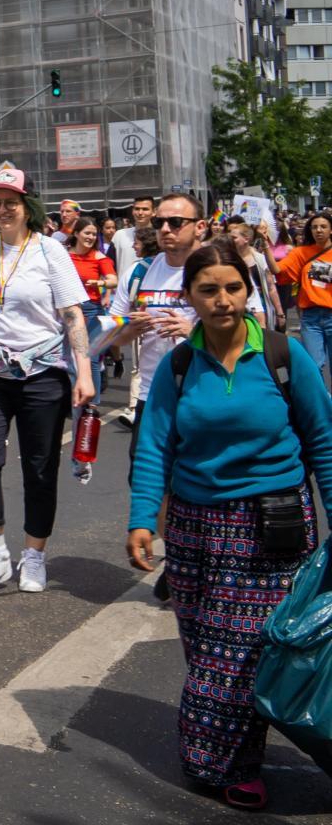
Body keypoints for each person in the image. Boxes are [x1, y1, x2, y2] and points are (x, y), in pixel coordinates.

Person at [128, 240, 332, 810]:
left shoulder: (283, 356)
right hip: (194, 530)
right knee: (205, 647)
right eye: (208, 290)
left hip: (273, 528)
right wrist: (144, 517)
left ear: (249, 289)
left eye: (233, 287)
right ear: (189, 296)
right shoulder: (179, 363)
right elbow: (155, 445)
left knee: (240, 652)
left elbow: (324, 444)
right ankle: (230, 750)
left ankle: (223, 763)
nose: (223, 300)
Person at [0, 166, 93, 596]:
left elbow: (72, 315)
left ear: (28, 207)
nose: (2, 209)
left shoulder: (50, 252)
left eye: (10, 201)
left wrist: (83, 371)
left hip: (42, 373)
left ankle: (34, 555)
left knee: (40, 468)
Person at [102, 193, 205, 448]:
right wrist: (130, 328)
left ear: (200, 226)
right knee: (145, 480)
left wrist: (193, 332)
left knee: (202, 481)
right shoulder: (139, 272)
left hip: (205, 393)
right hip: (153, 395)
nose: (166, 229)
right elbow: (115, 335)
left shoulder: (220, 269)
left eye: (176, 222)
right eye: (160, 223)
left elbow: (250, 334)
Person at [274, 210, 332, 389]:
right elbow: (278, 271)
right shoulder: (302, 253)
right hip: (310, 318)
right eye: (314, 227)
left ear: (331, 230)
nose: (318, 230)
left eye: (323, 227)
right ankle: (322, 404)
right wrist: (266, 242)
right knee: (314, 366)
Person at [66, 215, 117, 412]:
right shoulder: (64, 255)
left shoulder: (99, 257)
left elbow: (113, 280)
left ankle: (92, 403)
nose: (90, 237)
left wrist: (101, 283)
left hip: (91, 308)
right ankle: (71, 397)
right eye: (87, 233)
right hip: (67, 308)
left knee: (91, 357)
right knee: (67, 356)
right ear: (76, 233)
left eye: (94, 234)